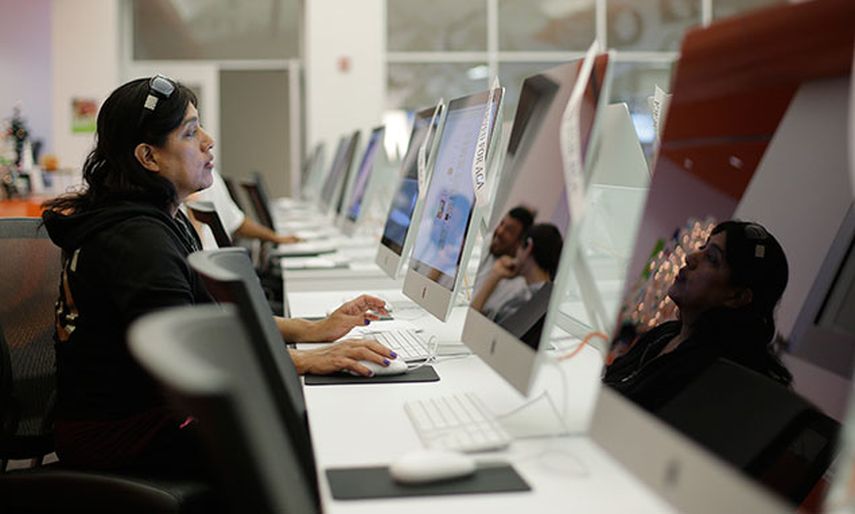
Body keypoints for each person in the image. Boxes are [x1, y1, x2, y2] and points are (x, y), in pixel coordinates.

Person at [41, 75, 396, 474]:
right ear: (148, 157)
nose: (209, 141)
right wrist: (309, 361)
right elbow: (192, 355)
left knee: (311, 411)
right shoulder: (136, 241)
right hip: (119, 433)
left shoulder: (160, 222)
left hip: (146, 412)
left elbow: (211, 322)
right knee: (315, 433)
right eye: (191, 133)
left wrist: (310, 331)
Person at [602, 220, 792, 412]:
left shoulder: (714, 377)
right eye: (702, 248)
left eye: (711, 258)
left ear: (737, 296)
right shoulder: (664, 334)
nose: (690, 258)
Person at [184, 169, 300, 249]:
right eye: (190, 134)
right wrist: (193, 208)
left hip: (222, 269)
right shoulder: (175, 191)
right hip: (208, 276)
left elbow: (236, 222)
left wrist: (274, 237)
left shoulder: (211, 175)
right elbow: (195, 255)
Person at [471, 223, 563, 324]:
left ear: (528, 247)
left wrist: (494, 276)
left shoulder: (521, 301)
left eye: (519, 248)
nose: (516, 254)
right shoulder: (549, 298)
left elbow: (471, 323)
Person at [472, 206, 534, 315]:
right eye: (501, 224)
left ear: (520, 242)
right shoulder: (488, 243)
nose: (500, 232)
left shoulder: (517, 288)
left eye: (509, 231)